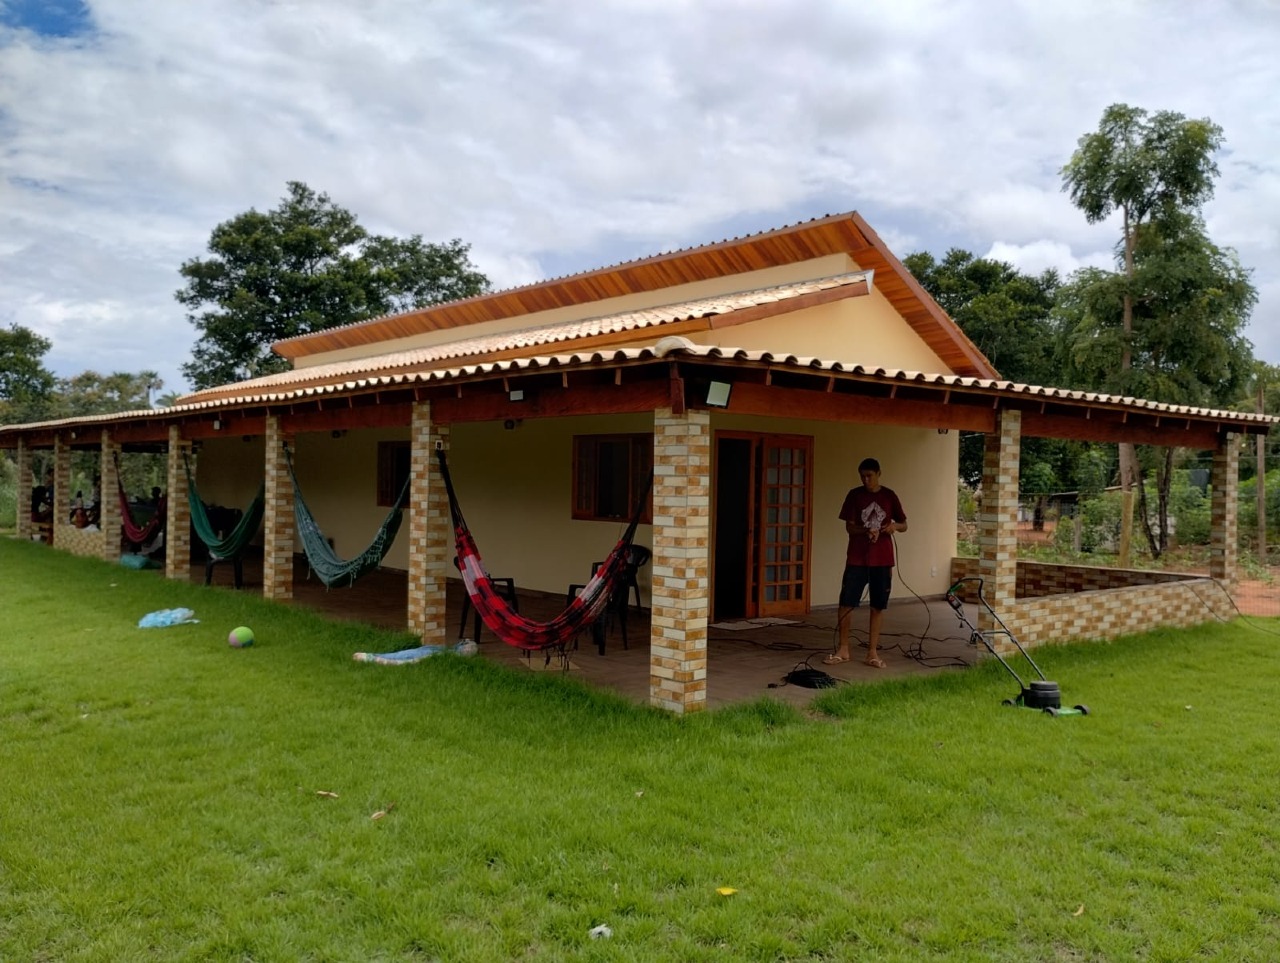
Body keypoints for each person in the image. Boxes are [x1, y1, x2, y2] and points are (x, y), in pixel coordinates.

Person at [826, 457, 907, 668]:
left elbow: (904, 524)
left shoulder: (889, 495)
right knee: (846, 603)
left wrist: (893, 527)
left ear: (879, 474)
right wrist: (866, 530)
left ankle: (872, 652)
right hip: (857, 558)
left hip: (883, 559)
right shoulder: (854, 495)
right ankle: (843, 649)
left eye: (869, 476)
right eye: (862, 476)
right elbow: (849, 527)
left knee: (877, 605)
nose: (866, 480)